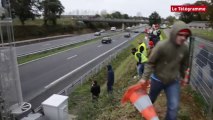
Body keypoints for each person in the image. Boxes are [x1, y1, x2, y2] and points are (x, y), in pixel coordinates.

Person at [139, 21, 191, 120]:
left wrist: (184, 77)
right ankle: (145, 111)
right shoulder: (161, 46)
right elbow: (150, 63)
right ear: (174, 33)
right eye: (180, 34)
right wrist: (144, 78)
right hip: (157, 79)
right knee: (151, 99)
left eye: (186, 35)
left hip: (173, 81)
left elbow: (184, 64)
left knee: (173, 107)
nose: (183, 38)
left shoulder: (185, 49)